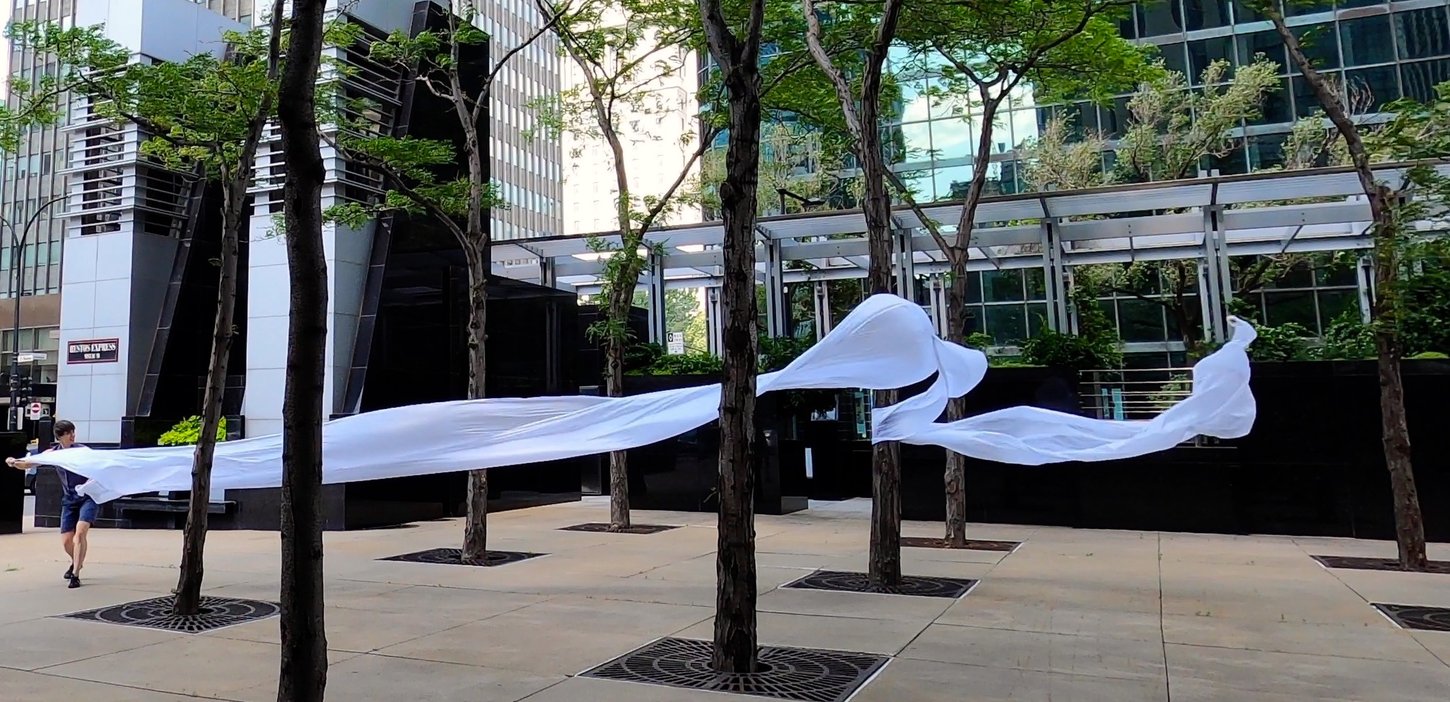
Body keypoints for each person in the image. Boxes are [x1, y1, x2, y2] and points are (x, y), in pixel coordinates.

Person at [7, 419, 93, 588]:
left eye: (73, 432)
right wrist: (14, 462)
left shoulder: (82, 451)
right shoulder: (53, 453)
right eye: (68, 433)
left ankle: (75, 574)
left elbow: (99, 465)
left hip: (88, 496)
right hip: (69, 499)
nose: (72, 436)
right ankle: (77, 561)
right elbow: (29, 463)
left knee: (80, 532)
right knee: (66, 542)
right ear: (60, 436)